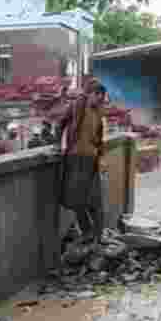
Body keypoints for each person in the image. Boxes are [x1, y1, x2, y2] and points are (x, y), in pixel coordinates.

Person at [56, 77, 108, 241]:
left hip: (91, 159)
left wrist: (100, 153)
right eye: (97, 95)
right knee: (75, 200)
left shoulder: (99, 111)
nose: (99, 99)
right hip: (76, 158)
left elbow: (99, 136)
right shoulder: (77, 105)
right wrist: (59, 145)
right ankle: (87, 231)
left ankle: (97, 236)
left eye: (101, 97)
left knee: (95, 200)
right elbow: (61, 123)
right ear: (90, 93)